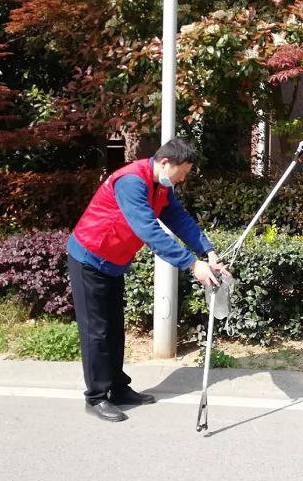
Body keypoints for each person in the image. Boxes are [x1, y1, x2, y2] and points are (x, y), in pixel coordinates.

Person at [67, 139, 224, 422]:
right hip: (89, 259)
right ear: (166, 163)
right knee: (97, 332)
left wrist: (207, 250)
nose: (183, 178)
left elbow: (177, 217)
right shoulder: (131, 181)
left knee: (113, 328)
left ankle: (117, 387)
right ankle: (96, 397)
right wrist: (191, 264)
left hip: (113, 262)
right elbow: (148, 230)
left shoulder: (161, 185)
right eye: (182, 172)